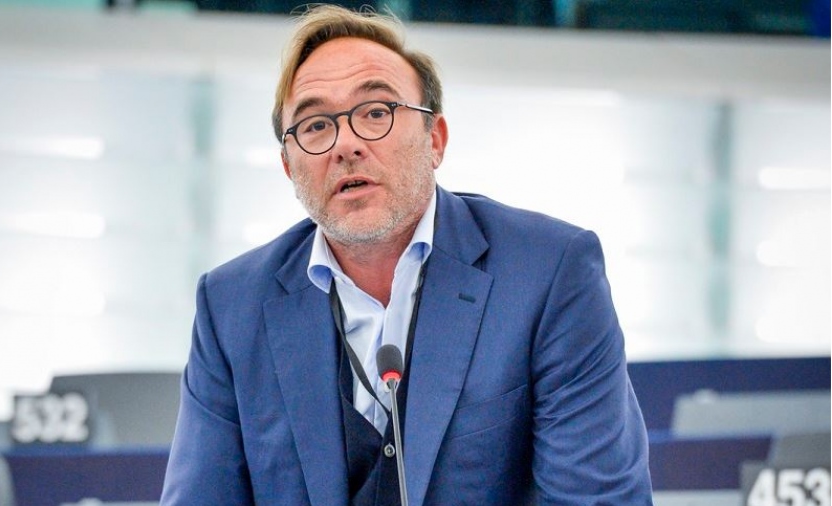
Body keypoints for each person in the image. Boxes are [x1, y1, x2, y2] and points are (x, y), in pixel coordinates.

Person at [160, 4, 653, 505]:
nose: (346, 144)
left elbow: (597, 498)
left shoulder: (548, 273)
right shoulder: (231, 307)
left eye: (376, 112)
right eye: (315, 126)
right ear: (289, 167)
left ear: (434, 140)